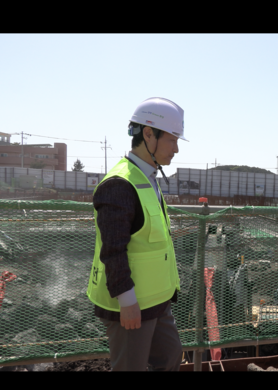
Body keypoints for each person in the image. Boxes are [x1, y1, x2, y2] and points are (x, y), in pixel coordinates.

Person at [86, 97, 187, 371]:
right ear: (148, 134)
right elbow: (113, 250)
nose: (176, 149)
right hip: (131, 304)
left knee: (169, 357)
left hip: (156, 300)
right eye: (172, 140)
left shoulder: (148, 178)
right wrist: (127, 302)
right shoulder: (120, 184)